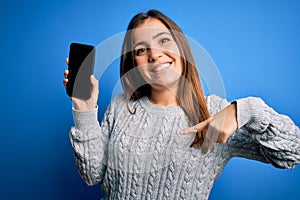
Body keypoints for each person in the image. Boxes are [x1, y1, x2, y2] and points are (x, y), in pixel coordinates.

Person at [63, 9, 300, 200]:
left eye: (163, 40)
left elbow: (293, 152)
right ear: (133, 63)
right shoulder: (121, 107)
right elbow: (93, 175)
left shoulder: (216, 113)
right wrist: (84, 109)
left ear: (181, 48)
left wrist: (246, 110)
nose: (154, 55)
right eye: (141, 50)